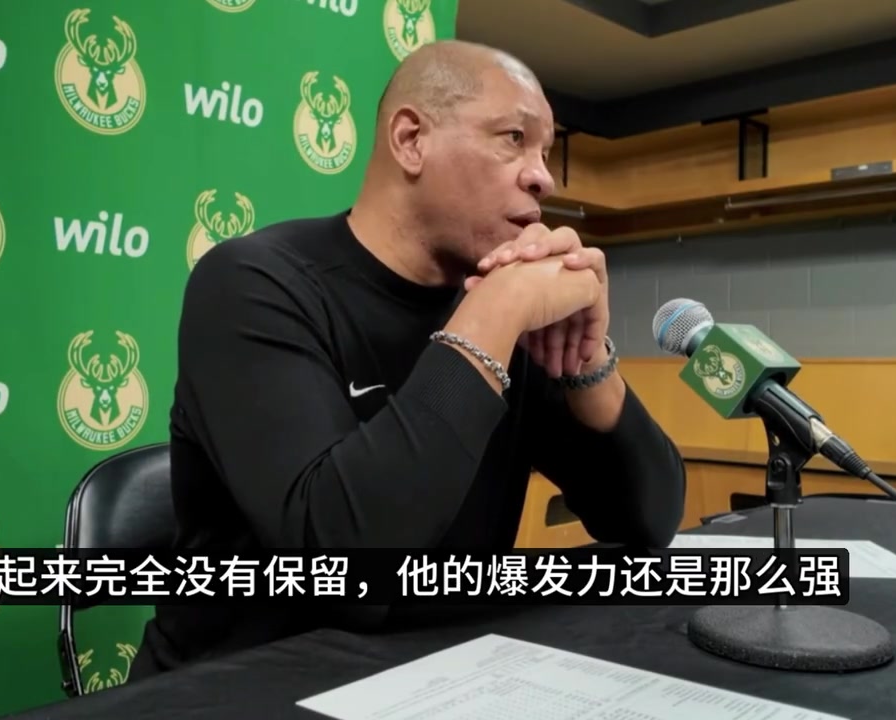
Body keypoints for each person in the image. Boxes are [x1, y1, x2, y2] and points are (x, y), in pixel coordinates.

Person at [129, 39, 686, 681]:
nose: (544, 177)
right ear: (410, 140)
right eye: (513, 139)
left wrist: (589, 362)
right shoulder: (253, 283)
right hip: (242, 686)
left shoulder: (507, 306)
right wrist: (495, 313)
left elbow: (647, 522)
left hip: (436, 679)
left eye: (545, 151)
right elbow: (343, 570)